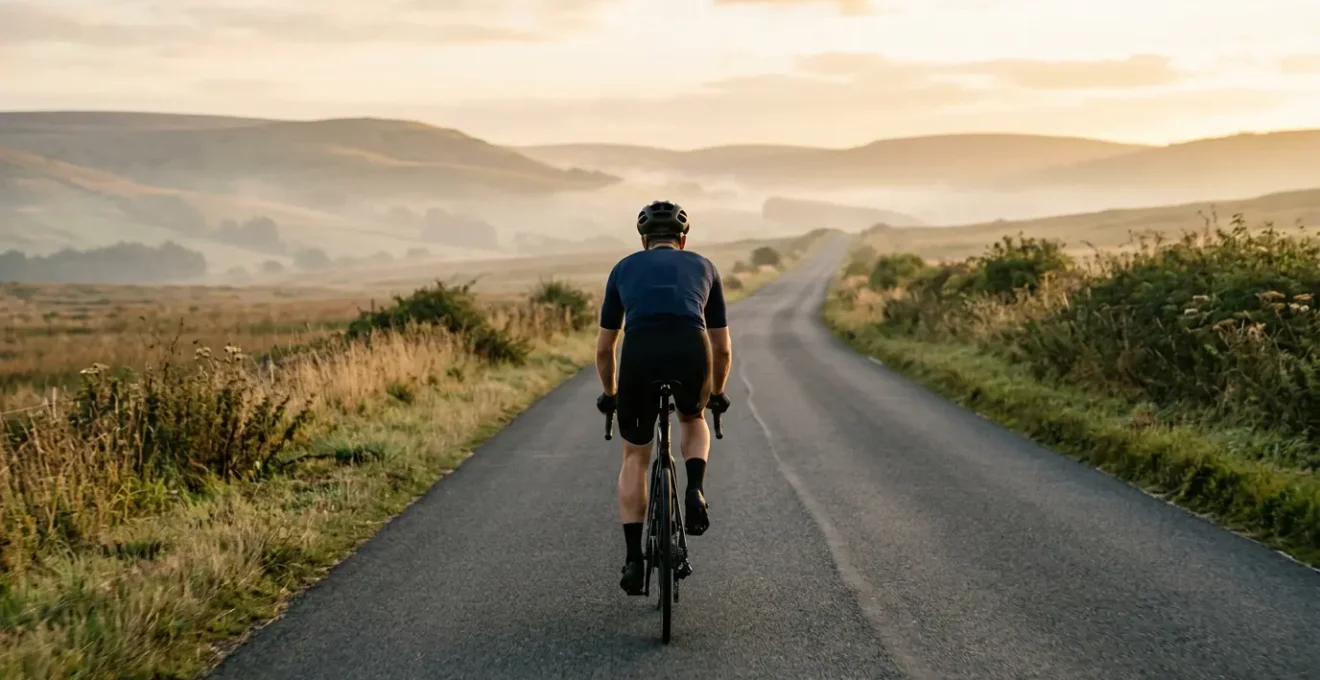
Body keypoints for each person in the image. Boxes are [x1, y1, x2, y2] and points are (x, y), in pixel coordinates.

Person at [594, 200, 733, 596]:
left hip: (639, 352)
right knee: (692, 418)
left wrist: (610, 395)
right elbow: (722, 348)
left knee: (636, 455)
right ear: (683, 239)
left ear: (643, 241)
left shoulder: (623, 269)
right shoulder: (705, 267)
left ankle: (634, 560)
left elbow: (605, 348)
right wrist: (717, 393)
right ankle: (694, 489)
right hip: (691, 348)